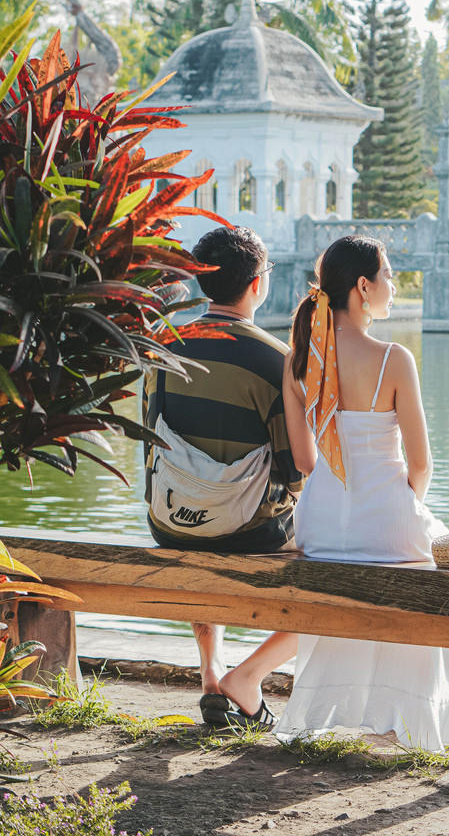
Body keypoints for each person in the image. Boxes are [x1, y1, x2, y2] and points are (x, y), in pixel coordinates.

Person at [215, 235, 449, 751]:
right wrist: (403, 506)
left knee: (340, 592)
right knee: (434, 574)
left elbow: (305, 462)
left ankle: (256, 677)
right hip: (386, 519)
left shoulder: (299, 359)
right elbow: (421, 464)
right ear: (363, 286)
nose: (393, 286)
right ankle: (398, 720)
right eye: (388, 276)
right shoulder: (395, 359)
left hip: (320, 520)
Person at [142, 225, 302, 729]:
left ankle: (211, 672)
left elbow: (152, 437)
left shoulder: (164, 347)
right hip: (250, 535)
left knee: (200, 515)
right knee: (333, 556)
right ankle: (247, 677)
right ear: (257, 284)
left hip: (168, 522)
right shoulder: (276, 360)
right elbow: (292, 470)